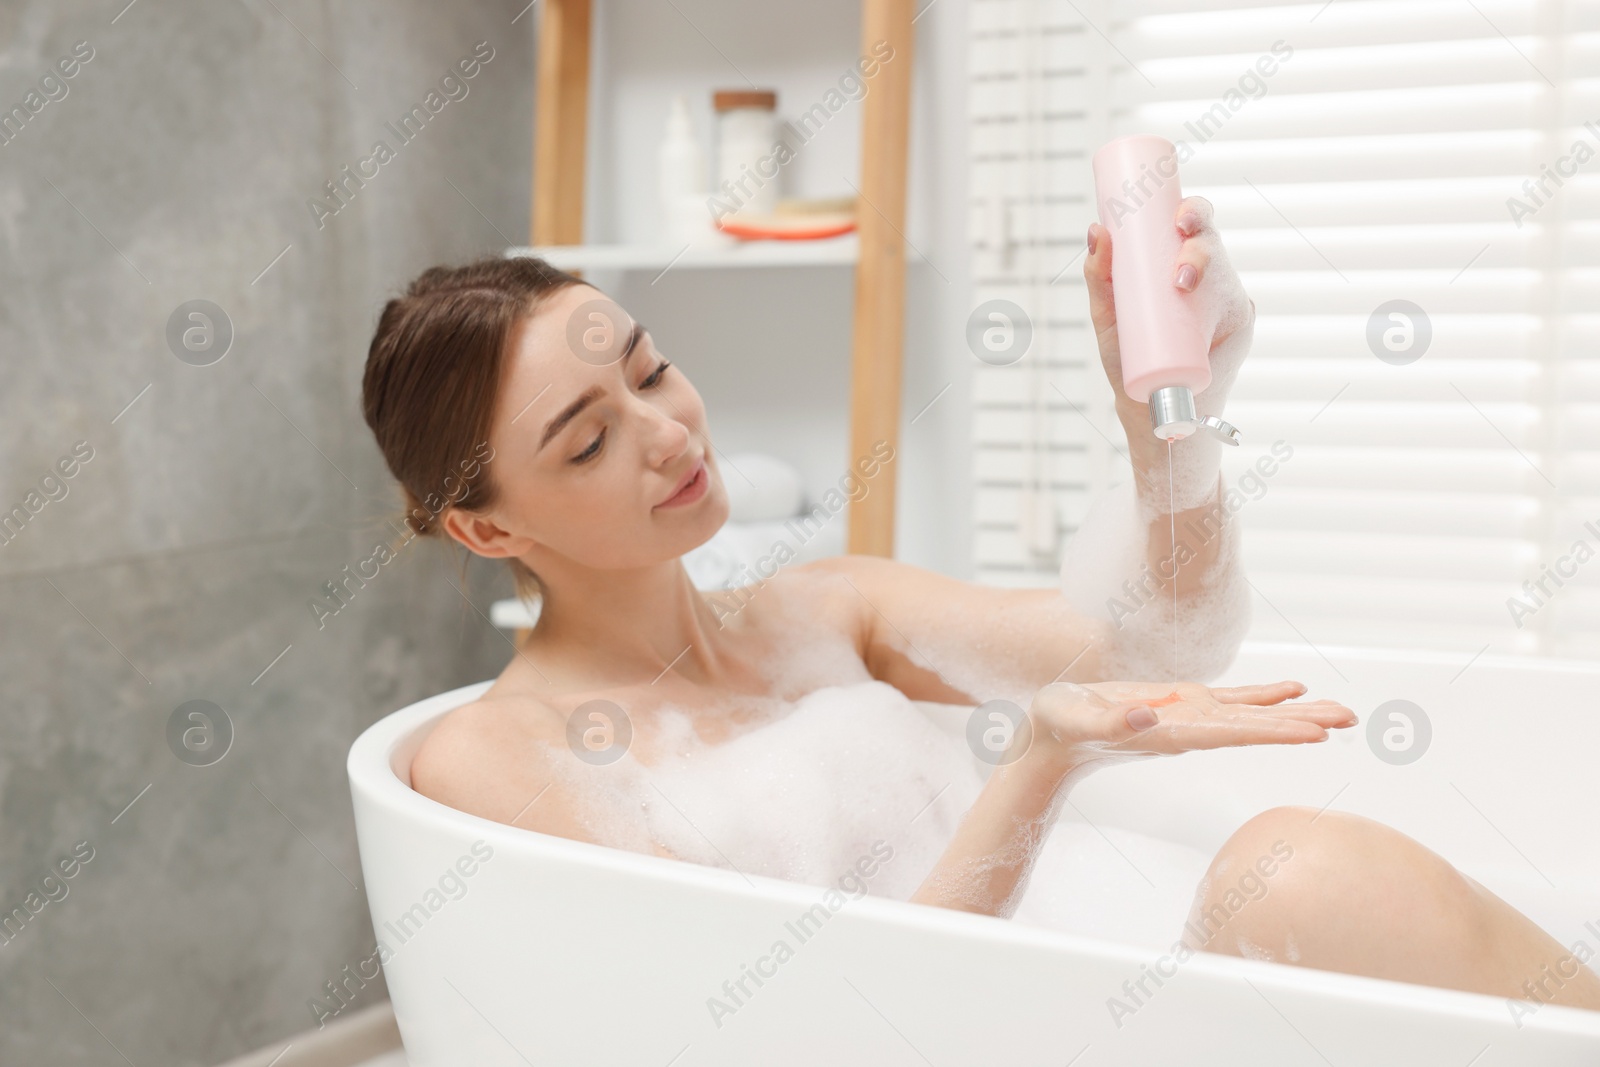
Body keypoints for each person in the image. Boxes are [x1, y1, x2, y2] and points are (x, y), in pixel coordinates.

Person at [358, 199, 1600, 1013]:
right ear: (486, 526)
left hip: (1109, 990)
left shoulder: (819, 609)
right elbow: (804, 1023)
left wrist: (1166, 412)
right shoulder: (494, 755)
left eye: (650, 370)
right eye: (584, 442)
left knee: (1306, 869)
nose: (665, 431)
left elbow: (1153, 640)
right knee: (1303, 876)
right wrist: (1040, 760)